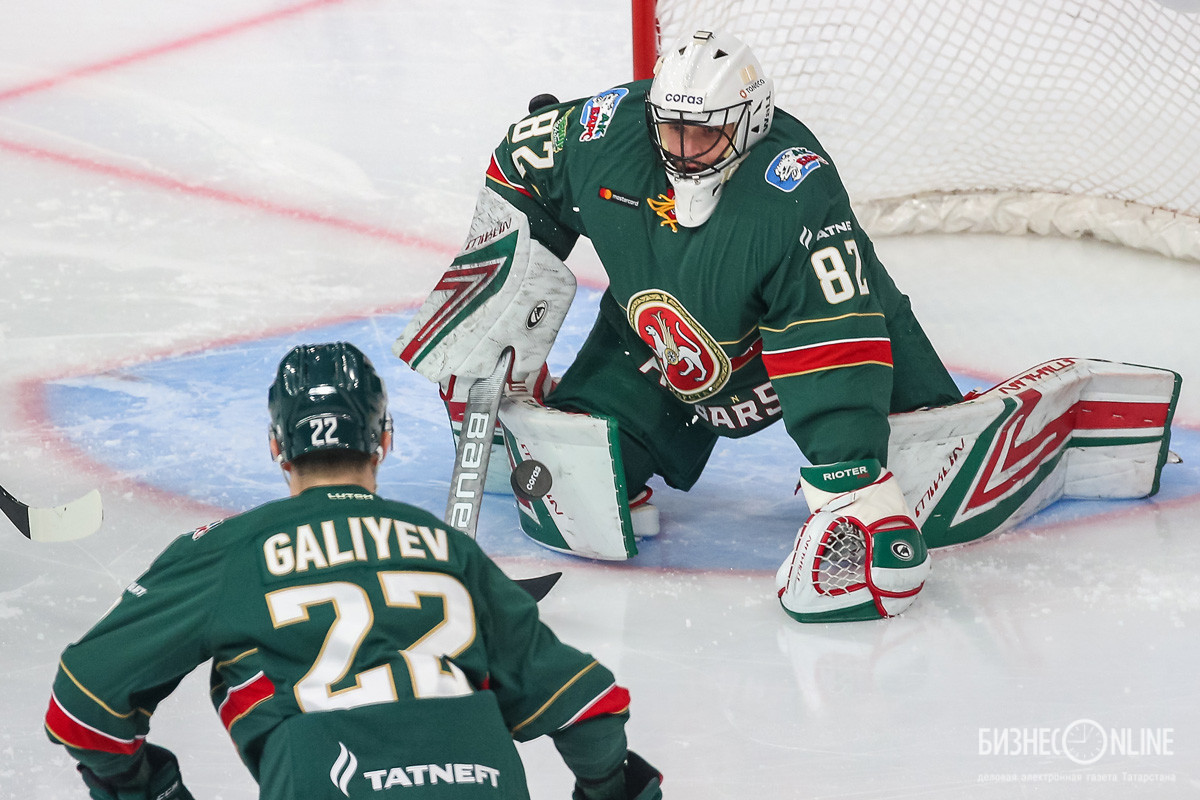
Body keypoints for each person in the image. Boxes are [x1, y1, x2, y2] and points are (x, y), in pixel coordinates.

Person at [394, 29, 960, 623]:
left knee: (922, 464)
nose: (684, 149)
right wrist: (501, 297)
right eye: (671, 128)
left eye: (706, 133)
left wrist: (850, 480)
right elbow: (521, 161)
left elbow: (830, 338)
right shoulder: (608, 133)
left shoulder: (792, 191)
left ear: (749, 121)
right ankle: (596, 416)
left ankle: (912, 415)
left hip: (787, 348)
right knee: (578, 489)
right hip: (660, 349)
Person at [44, 342, 661, 800]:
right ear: (384, 441)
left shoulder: (230, 551)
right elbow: (588, 709)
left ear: (276, 448)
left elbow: (82, 703)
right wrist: (609, 788)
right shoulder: (448, 549)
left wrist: (142, 788)